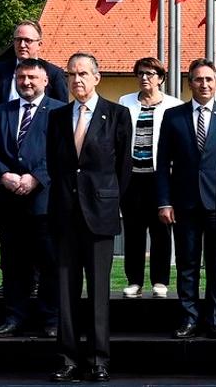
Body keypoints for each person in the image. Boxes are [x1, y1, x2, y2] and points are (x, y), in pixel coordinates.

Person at [45, 53, 134, 383]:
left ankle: (98, 360)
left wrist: (109, 199)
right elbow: (54, 164)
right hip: (65, 214)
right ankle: (67, 359)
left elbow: (124, 166)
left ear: (97, 77)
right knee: (66, 292)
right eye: (71, 74)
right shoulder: (57, 117)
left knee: (98, 292)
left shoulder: (117, 114)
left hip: (100, 212)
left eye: (83, 73)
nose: (77, 79)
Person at [158, 59, 216, 339]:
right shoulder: (173, 116)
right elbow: (163, 163)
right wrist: (164, 201)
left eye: (209, 79)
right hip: (185, 204)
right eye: (198, 79)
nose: (204, 84)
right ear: (190, 83)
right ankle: (189, 318)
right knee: (187, 265)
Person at [0, 60, 59, 339]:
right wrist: (3, 175)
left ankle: (51, 318)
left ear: (45, 81)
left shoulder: (60, 112)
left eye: (32, 77)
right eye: (21, 77)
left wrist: (36, 177)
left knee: (49, 262)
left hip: (45, 200)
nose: (26, 82)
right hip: (8, 199)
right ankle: (14, 316)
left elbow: (62, 151)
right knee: (13, 263)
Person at [116, 57, 181, 299]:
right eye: (141, 73)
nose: (145, 78)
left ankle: (160, 281)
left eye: (150, 74)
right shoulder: (125, 102)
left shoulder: (174, 105)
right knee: (133, 231)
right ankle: (134, 281)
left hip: (160, 178)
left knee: (161, 231)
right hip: (132, 177)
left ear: (161, 78)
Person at [0, 20, 69, 136]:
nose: (22, 45)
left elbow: (63, 113)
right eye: (18, 40)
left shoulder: (54, 74)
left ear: (39, 44)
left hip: (41, 139)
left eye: (28, 40)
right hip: (2, 138)